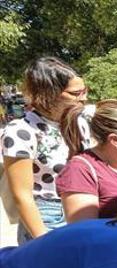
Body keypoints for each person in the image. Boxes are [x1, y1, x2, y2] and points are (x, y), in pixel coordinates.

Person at [2, 57, 88, 244]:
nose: (84, 97)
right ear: (49, 94)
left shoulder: (81, 121)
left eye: (84, 90)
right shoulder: (21, 131)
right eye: (76, 93)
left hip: (85, 208)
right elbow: (22, 196)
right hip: (48, 215)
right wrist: (44, 242)